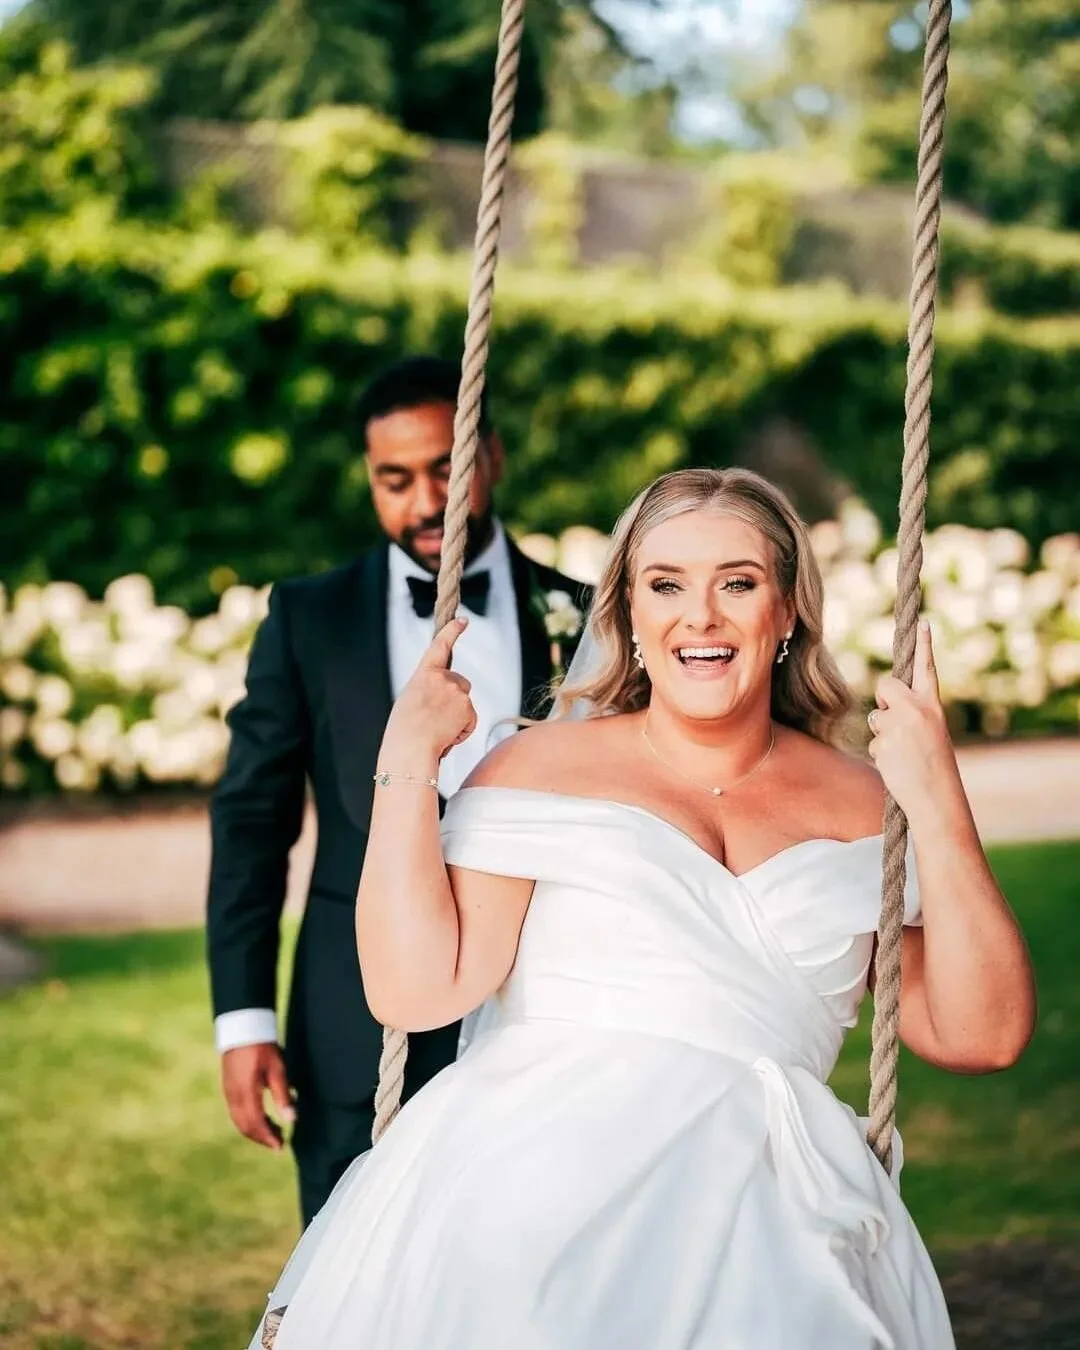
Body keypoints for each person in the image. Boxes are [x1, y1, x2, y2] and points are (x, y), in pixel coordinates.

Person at [249, 466, 1036, 1350]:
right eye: (666, 586)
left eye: (736, 584)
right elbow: (414, 993)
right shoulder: (538, 770)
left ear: (786, 613)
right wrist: (405, 764)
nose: (699, 616)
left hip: (775, 1223)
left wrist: (936, 799)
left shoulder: (870, 803)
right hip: (531, 1199)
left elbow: (983, 1034)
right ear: (627, 612)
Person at [206, 355, 591, 1226]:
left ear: (489, 456)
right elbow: (251, 824)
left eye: (445, 468)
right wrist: (243, 1018)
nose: (425, 503)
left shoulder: (582, 616)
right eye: (395, 479)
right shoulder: (310, 617)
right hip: (351, 1023)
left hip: (540, 1014)